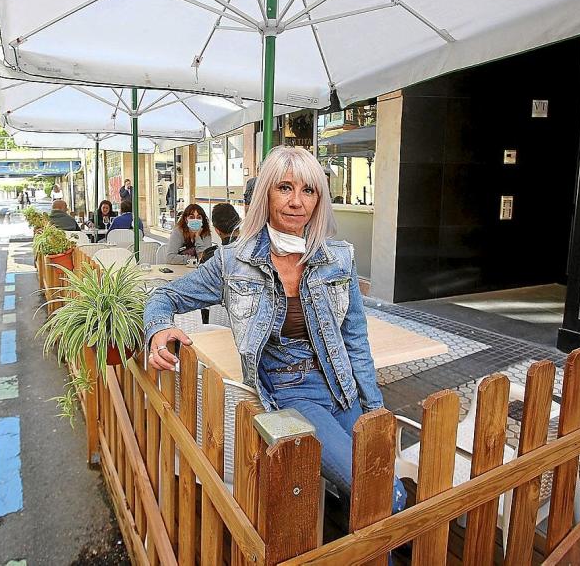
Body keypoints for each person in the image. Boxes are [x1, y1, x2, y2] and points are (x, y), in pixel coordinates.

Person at [144, 146, 406, 516]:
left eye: (308, 191)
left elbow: (355, 341)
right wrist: (158, 329)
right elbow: (165, 295)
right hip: (291, 393)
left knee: (387, 492)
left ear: (319, 200)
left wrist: (374, 409)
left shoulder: (339, 257)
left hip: (342, 387)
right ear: (266, 193)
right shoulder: (234, 262)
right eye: (285, 187)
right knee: (382, 492)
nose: (297, 202)